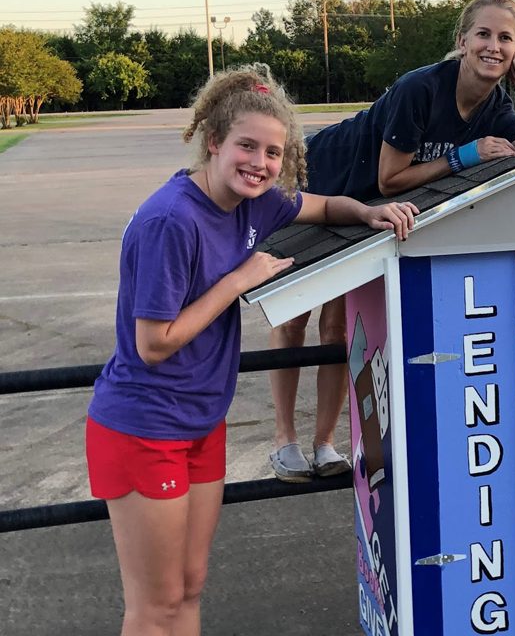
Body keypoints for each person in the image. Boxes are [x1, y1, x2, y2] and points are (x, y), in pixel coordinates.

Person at [84, 65, 416, 635]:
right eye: (246, 146)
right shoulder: (172, 220)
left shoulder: (256, 201)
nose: (259, 163)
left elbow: (322, 205)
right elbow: (153, 343)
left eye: (273, 152)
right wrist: (239, 280)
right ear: (213, 141)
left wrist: (367, 211)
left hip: (201, 423)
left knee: (189, 589)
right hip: (144, 426)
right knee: (154, 605)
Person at [267, 0, 515, 482]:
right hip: (319, 182)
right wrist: (464, 155)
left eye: (507, 38)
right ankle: (285, 441)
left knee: (338, 327)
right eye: (484, 34)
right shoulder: (420, 89)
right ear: (462, 41)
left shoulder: (497, 105)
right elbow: (390, 178)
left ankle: (324, 443)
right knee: (295, 315)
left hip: (366, 211)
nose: (494, 46)